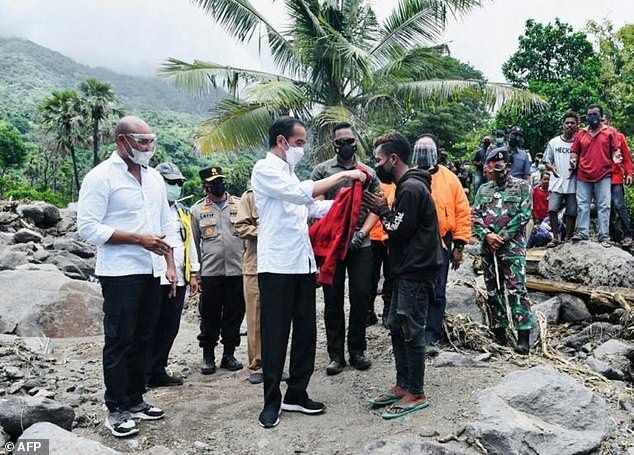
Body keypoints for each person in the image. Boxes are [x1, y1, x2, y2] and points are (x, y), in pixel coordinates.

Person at [251, 116, 366, 428]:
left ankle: (297, 393)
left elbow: (312, 208)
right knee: (276, 334)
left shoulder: (290, 173)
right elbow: (300, 194)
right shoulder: (265, 170)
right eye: (299, 143)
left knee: (305, 331)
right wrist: (344, 178)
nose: (301, 149)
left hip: (302, 264)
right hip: (277, 266)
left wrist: (347, 204)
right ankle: (271, 400)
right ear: (281, 141)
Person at [77, 116, 176, 437]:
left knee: (145, 336)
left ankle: (135, 399)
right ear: (121, 141)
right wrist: (138, 239)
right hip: (120, 271)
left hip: (152, 269)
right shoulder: (100, 177)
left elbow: (167, 224)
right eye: (142, 141)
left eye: (152, 141)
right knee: (120, 339)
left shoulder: (154, 179)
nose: (148, 148)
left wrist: (171, 265)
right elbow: (88, 228)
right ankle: (116, 407)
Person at [364, 132, 442, 420]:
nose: (378, 166)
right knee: (397, 326)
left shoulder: (410, 189)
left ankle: (416, 391)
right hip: (403, 270)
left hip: (415, 271)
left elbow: (398, 228)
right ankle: (403, 384)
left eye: (379, 160)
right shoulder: (407, 186)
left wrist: (383, 211)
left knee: (411, 330)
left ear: (393, 158)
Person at [311, 122, 380, 375]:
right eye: (341, 142)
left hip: (362, 243)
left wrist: (361, 234)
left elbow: (377, 207)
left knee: (361, 295)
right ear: (334, 144)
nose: (346, 145)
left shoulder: (368, 172)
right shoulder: (323, 171)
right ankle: (336, 355)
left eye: (350, 140)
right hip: (331, 244)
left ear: (356, 142)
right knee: (332, 299)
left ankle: (357, 350)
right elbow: (315, 204)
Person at [471, 148, 533, 355]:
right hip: (488, 248)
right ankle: (499, 332)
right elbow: (476, 216)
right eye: (489, 165)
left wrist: (502, 237)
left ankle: (523, 336)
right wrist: (487, 235)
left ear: (506, 166)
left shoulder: (522, 187)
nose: (491, 170)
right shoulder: (483, 189)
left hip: (512, 248)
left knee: (516, 290)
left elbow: (524, 214)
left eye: (496, 166)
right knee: (492, 290)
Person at [412, 134, 470, 351]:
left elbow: (462, 211)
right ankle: (414, 331)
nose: (425, 155)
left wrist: (460, 245)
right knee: (415, 287)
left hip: (442, 242)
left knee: (437, 289)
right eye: (421, 150)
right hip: (415, 243)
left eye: (429, 150)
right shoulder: (409, 177)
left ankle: (431, 335)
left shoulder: (449, 178)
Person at [147, 162, 201, 388]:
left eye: (179, 183)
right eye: (171, 182)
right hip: (152, 276)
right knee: (150, 326)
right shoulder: (147, 209)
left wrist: (194, 273)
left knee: (170, 326)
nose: (176, 187)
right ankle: (143, 373)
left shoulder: (182, 212)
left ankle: (158, 369)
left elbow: (189, 242)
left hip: (178, 276)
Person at [191, 166, 245, 374]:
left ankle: (229, 355)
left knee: (234, 314)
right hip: (211, 273)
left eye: (220, 180)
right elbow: (194, 245)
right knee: (209, 315)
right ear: (205, 186)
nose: (219, 185)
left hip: (237, 271)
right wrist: (196, 273)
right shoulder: (197, 211)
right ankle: (208, 357)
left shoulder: (239, 205)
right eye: (214, 182)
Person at [570, 104, 619, 247]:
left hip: (603, 174)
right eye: (590, 115)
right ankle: (583, 233)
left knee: (604, 205)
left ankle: (604, 236)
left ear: (601, 116)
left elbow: (615, 150)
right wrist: (573, 161)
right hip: (583, 175)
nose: (592, 117)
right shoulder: (581, 133)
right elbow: (574, 151)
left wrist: (616, 157)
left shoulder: (609, 132)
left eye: (595, 114)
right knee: (582, 205)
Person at [234, 188, 264, 384]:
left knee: (277, 318)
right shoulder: (251, 197)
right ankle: (257, 365)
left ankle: (274, 363)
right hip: (256, 265)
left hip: (281, 265)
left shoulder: (286, 194)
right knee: (255, 318)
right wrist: (263, 231)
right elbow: (241, 227)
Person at [543, 112, 579, 244]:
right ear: (563, 125)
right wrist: (552, 169)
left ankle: (568, 238)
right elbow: (547, 161)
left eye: (572, 123)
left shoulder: (578, 141)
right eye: (567, 123)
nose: (569, 125)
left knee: (571, 212)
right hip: (556, 181)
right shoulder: (554, 142)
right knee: (552, 209)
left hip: (573, 182)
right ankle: (555, 237)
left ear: (577, 126)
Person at [368, 182, 396, 327]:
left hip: (391, 237)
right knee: (370, 276)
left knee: (391, 275)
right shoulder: (373, 181)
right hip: (373, 235)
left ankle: (387, 311)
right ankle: (368, 311)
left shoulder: (400, 183)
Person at [604, 114, 633, 247]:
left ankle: (628, 235)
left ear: (609, 121)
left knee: (619, 205)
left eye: (603, 120)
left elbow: (626, 157)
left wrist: (629, 173)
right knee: (606, 207)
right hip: (601, 177)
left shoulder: (619, 136)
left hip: (615, 176)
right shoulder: (595, 136)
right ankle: (613, 235)